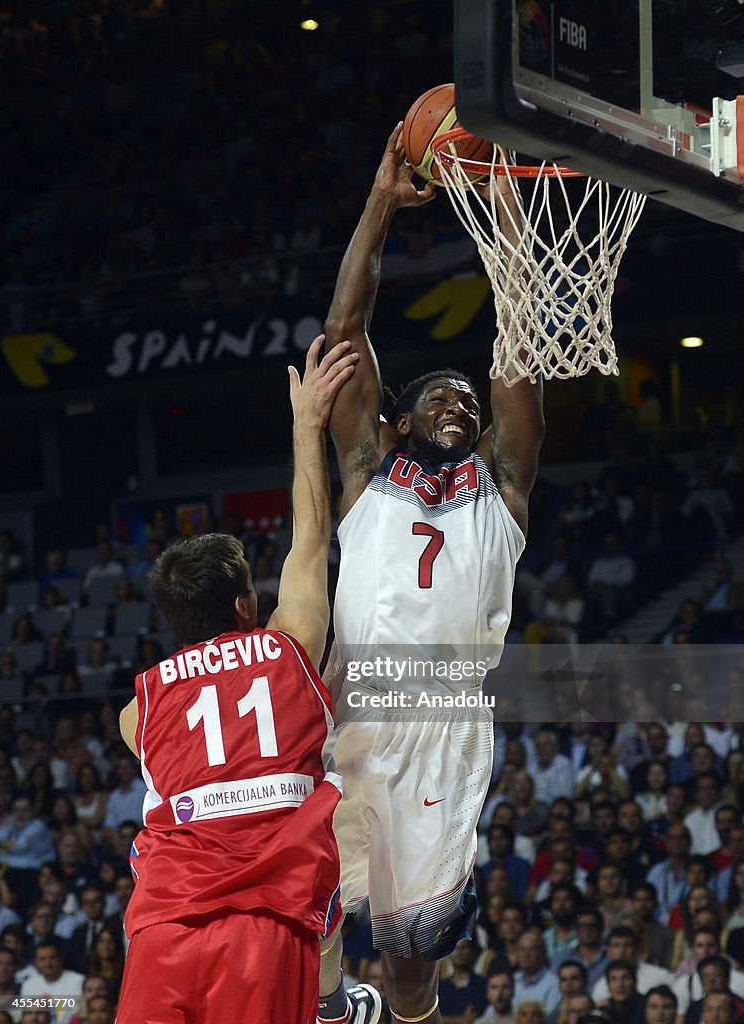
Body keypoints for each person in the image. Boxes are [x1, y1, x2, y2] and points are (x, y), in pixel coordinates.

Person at [316, 124, 544, 1024]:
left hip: (446, 728)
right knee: (309, 926)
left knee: (411, 963)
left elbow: (518, 349)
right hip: (348, 716)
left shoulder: (505, 486)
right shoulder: (367, 473)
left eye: (471, 401)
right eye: (440, 395)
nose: (463, 401)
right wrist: (380, 204)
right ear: (400, 422)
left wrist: (508, 225)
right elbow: (344, 332)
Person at [114, 336, 356, 1024]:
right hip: (262, 922)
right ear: (247, 605)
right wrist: (306, 424)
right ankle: (336, 996)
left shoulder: (139, 708)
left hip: (162, 929)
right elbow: (310, 537)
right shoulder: (288, 648)